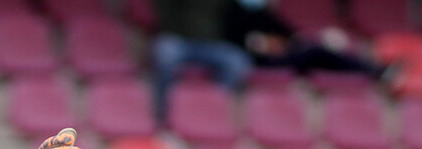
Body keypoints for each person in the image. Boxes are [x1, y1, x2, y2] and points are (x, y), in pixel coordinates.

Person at [222, 0, 389, 82]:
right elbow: (233, 43)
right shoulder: (232, 13)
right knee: (317, 53)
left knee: (320, 51)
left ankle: (369, 70)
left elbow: (291, 35)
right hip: (258, 62)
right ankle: (371, 71)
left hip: (283, 56)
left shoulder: (265, 14)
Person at [150, 0, 254, 124]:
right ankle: (162, 112)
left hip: (210, 44)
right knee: (165, 54)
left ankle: (213, 107)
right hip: (179, 39)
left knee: (237, 61)